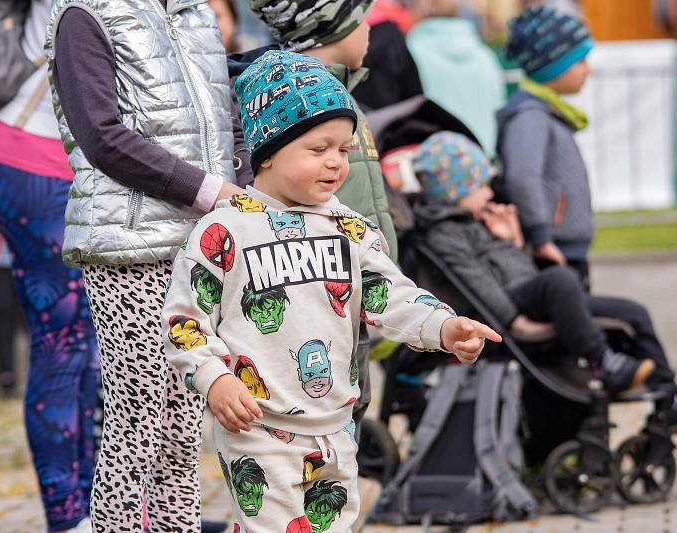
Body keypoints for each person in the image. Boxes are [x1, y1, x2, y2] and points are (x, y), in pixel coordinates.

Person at [161, 50, 500, 532]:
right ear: (270, 151)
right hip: (258, 430)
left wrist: (444, 325)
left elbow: (391, 295)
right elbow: (185, 321)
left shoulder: (349, 229)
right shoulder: (224, 231)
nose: (335, 163)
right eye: (318, 149)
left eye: (342, 150)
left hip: (336, 427)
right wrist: (214, 377)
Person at [46, 0, 251, 530]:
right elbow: (101, 136)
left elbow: (224, 116)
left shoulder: (196, 13)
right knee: (138, 418)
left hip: (198, 244)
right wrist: (210, 192)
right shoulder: (84, 16)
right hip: (127, 243)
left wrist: (245, 189)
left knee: (184, 428)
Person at [412, 131, 677, 433]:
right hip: (513, 305)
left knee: (634, 312)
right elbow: (478, 283)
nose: (490, 191)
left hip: (532, 292)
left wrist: (513, 240)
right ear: (454, 191)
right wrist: (515, 322)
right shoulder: (445, 234)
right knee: (559, 279)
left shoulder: (474, 220)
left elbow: (515, 267)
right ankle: (602, 361)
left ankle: (671, 400)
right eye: (480, 185)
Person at [231, 0, 398, 431]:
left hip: (357, 291)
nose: (370, 32)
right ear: (329, 27)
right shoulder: (294, 112)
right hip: (319, 298)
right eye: (362, 20)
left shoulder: (340, 103)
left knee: (348, 426)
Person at [0, 1, 100, 530]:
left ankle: (102, 509)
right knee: (64, 341)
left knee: (92, 344)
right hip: (34, 147)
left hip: (74, 153)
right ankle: (69, 519)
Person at [497, 5, 596, 289]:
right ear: (555, 64)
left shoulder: (544, 111)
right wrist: (541, 238)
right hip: (554, 250)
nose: (589, 70)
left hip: (565, 247)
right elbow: (523, 177)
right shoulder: (529, 116)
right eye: (581, 61)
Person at [405, 0, 506, 156]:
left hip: (434, 163)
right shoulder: (485, 55)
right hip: (484, 163)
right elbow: (499, 111)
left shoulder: (409, 52)